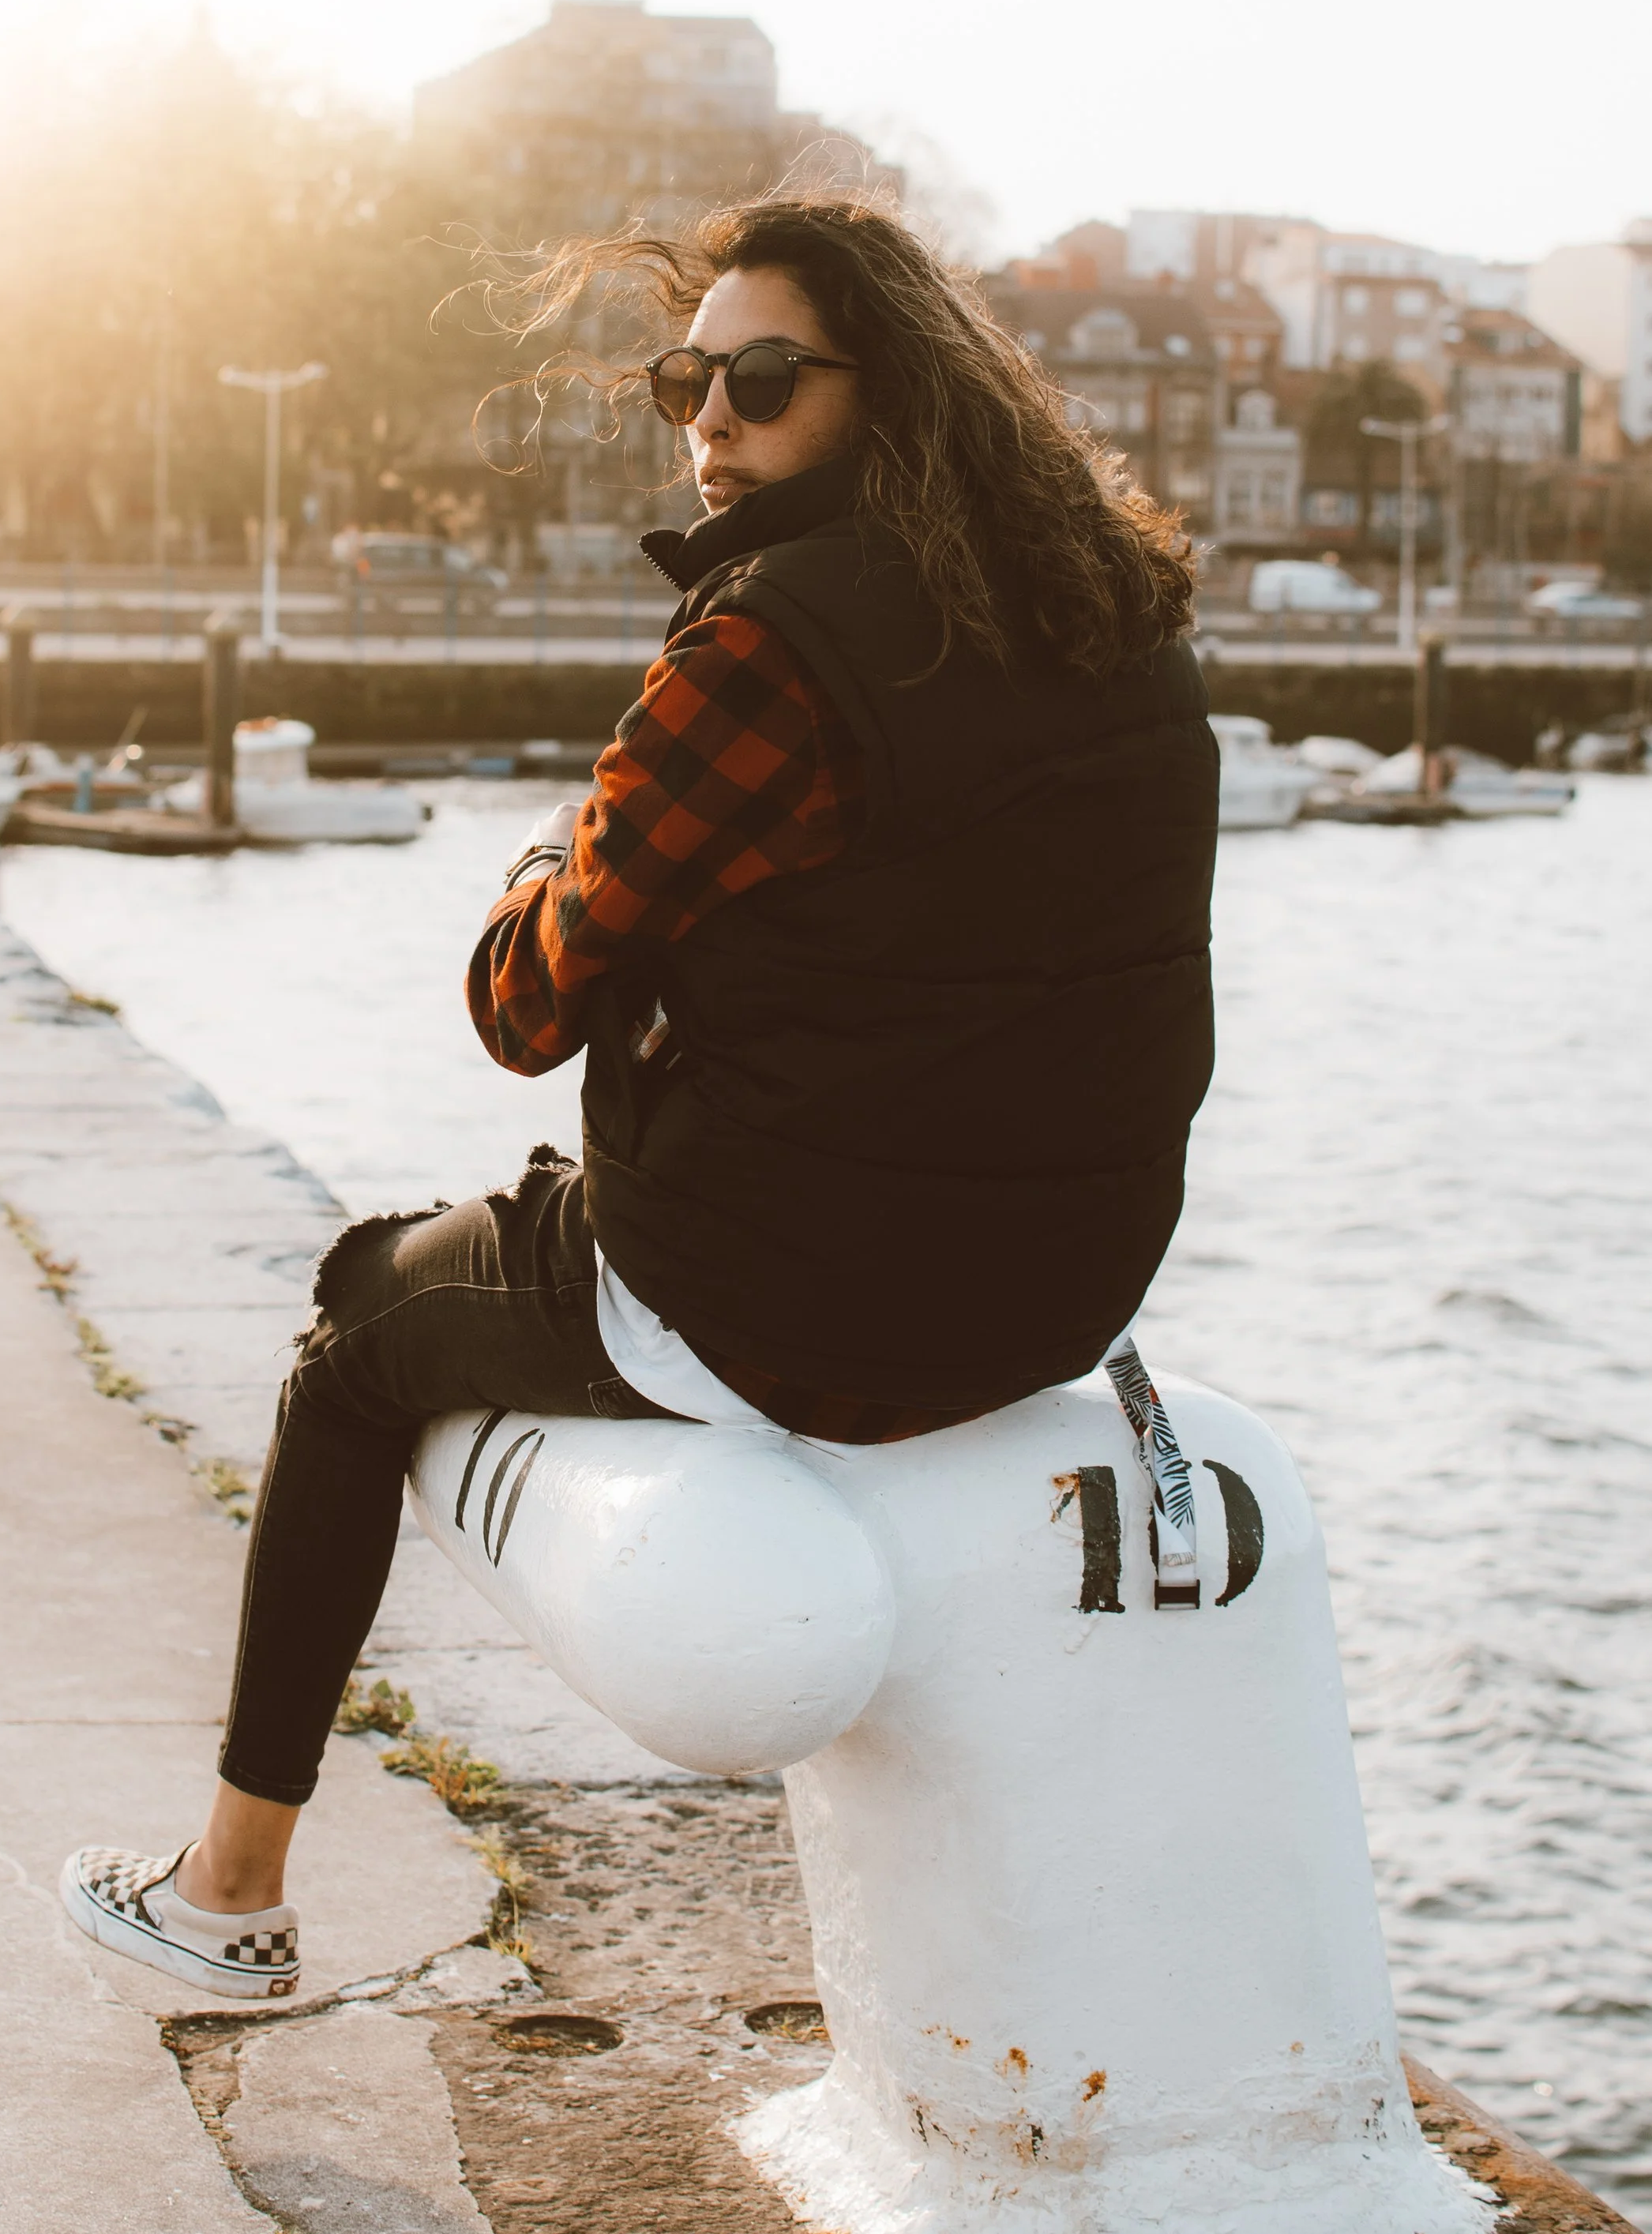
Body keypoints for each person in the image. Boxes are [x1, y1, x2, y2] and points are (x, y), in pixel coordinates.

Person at [62, 195, 1218, 1998]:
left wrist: (549, 855)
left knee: (357, 1325)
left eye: (762, 377)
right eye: (689, 375)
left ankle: (227, 1894)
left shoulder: (766, 646)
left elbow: (520, 1006)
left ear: (887, 390)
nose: (711, 416)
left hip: (788, 1298)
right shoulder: (1121, 620)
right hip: (1057, 1295)